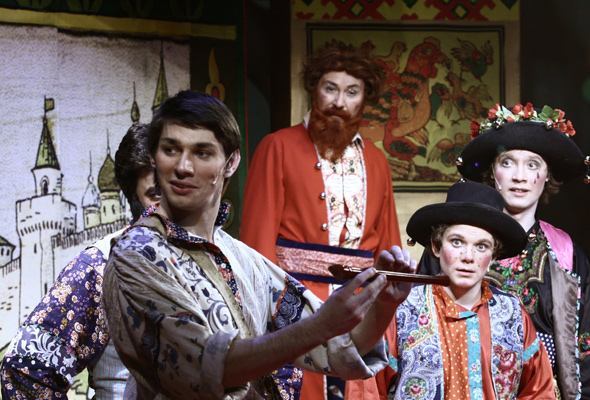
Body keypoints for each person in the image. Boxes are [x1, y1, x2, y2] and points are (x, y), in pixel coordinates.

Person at [101, 89, 414, 400]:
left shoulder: (239, 256)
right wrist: (319, 327)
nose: (183, 166)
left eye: (202, 153)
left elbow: (336, 347)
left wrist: (384, 304)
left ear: (231, 163)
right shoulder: (137, 253)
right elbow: (200, 370)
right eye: (170, 149)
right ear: (154, 157)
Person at [240, 43, 402, 400]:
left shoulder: (377, 160)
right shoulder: (277, 146)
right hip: (293, 307)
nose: (339, 102)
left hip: (362, 307)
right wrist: (261, 315)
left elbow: (388, 245)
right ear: (315, 90)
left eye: (352, 92)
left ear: (364, 100)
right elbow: (256, 243)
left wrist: (386, 315)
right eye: (331, 88)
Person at [419, 103, 590, 399]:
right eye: (508, 162)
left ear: (547, 174)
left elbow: (585, 342)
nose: (520, 177)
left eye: (533, 165)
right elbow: (419, 325)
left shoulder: (566, 251)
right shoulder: (450, 245)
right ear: (492, 172)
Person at [353, 180, 555, 399]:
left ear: (493, 257)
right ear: (436, 246)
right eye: (457, 242)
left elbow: (538, 391)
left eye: (481, 246)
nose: (468, 257)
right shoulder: (402, 310)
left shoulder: (513, 314)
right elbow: (368, 389)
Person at [0, 123, 160, 399]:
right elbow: (26, 369)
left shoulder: (233, 256)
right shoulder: (101, 266)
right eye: (157, 194)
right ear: (135, 199)